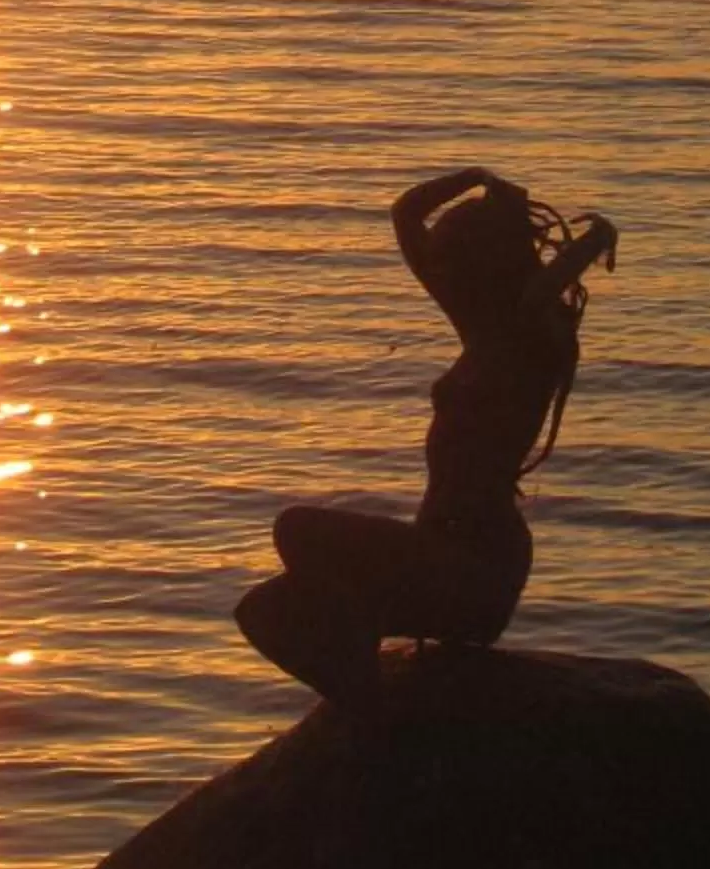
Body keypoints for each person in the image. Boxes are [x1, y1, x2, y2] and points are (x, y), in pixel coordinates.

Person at [234, 168, 618, 702]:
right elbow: (405, 213)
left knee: (297, 529)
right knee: (267, 608)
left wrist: (595, 241)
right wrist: (477, 177)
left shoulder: (532, 347)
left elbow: (536, 295)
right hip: (435, 550)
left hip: (477, 568)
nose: (440, 273)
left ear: (484, 265)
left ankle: (373, 707)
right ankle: (366, 696)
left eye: (452, 261)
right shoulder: (480, 330)